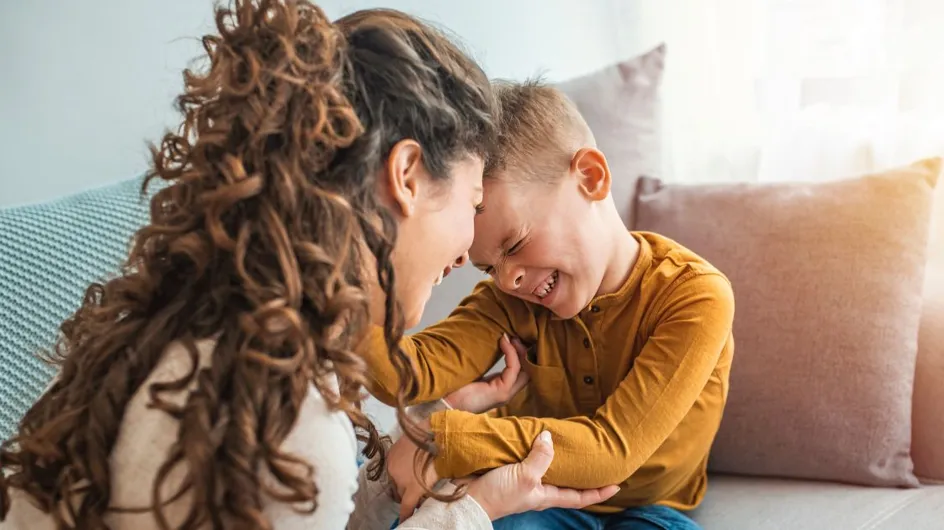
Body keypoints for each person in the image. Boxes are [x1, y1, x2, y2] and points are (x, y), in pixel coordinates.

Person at [0, 3, 617, 529]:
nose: (464, 255)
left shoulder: (208, 328)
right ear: (405, 176)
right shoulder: (275, 413)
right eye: (473, 204)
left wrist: (433, 426)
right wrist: (471, 510)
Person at [357, 80, 736, 530]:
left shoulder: (694, 296)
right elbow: (412, 373)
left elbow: (609, 451)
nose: (507, 278)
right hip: (533, 496)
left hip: (656, 508)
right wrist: (341, 292)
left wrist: (442, 438)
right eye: (488, 268)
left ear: (591, 178)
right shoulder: (509, 298)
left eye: (515, 243)